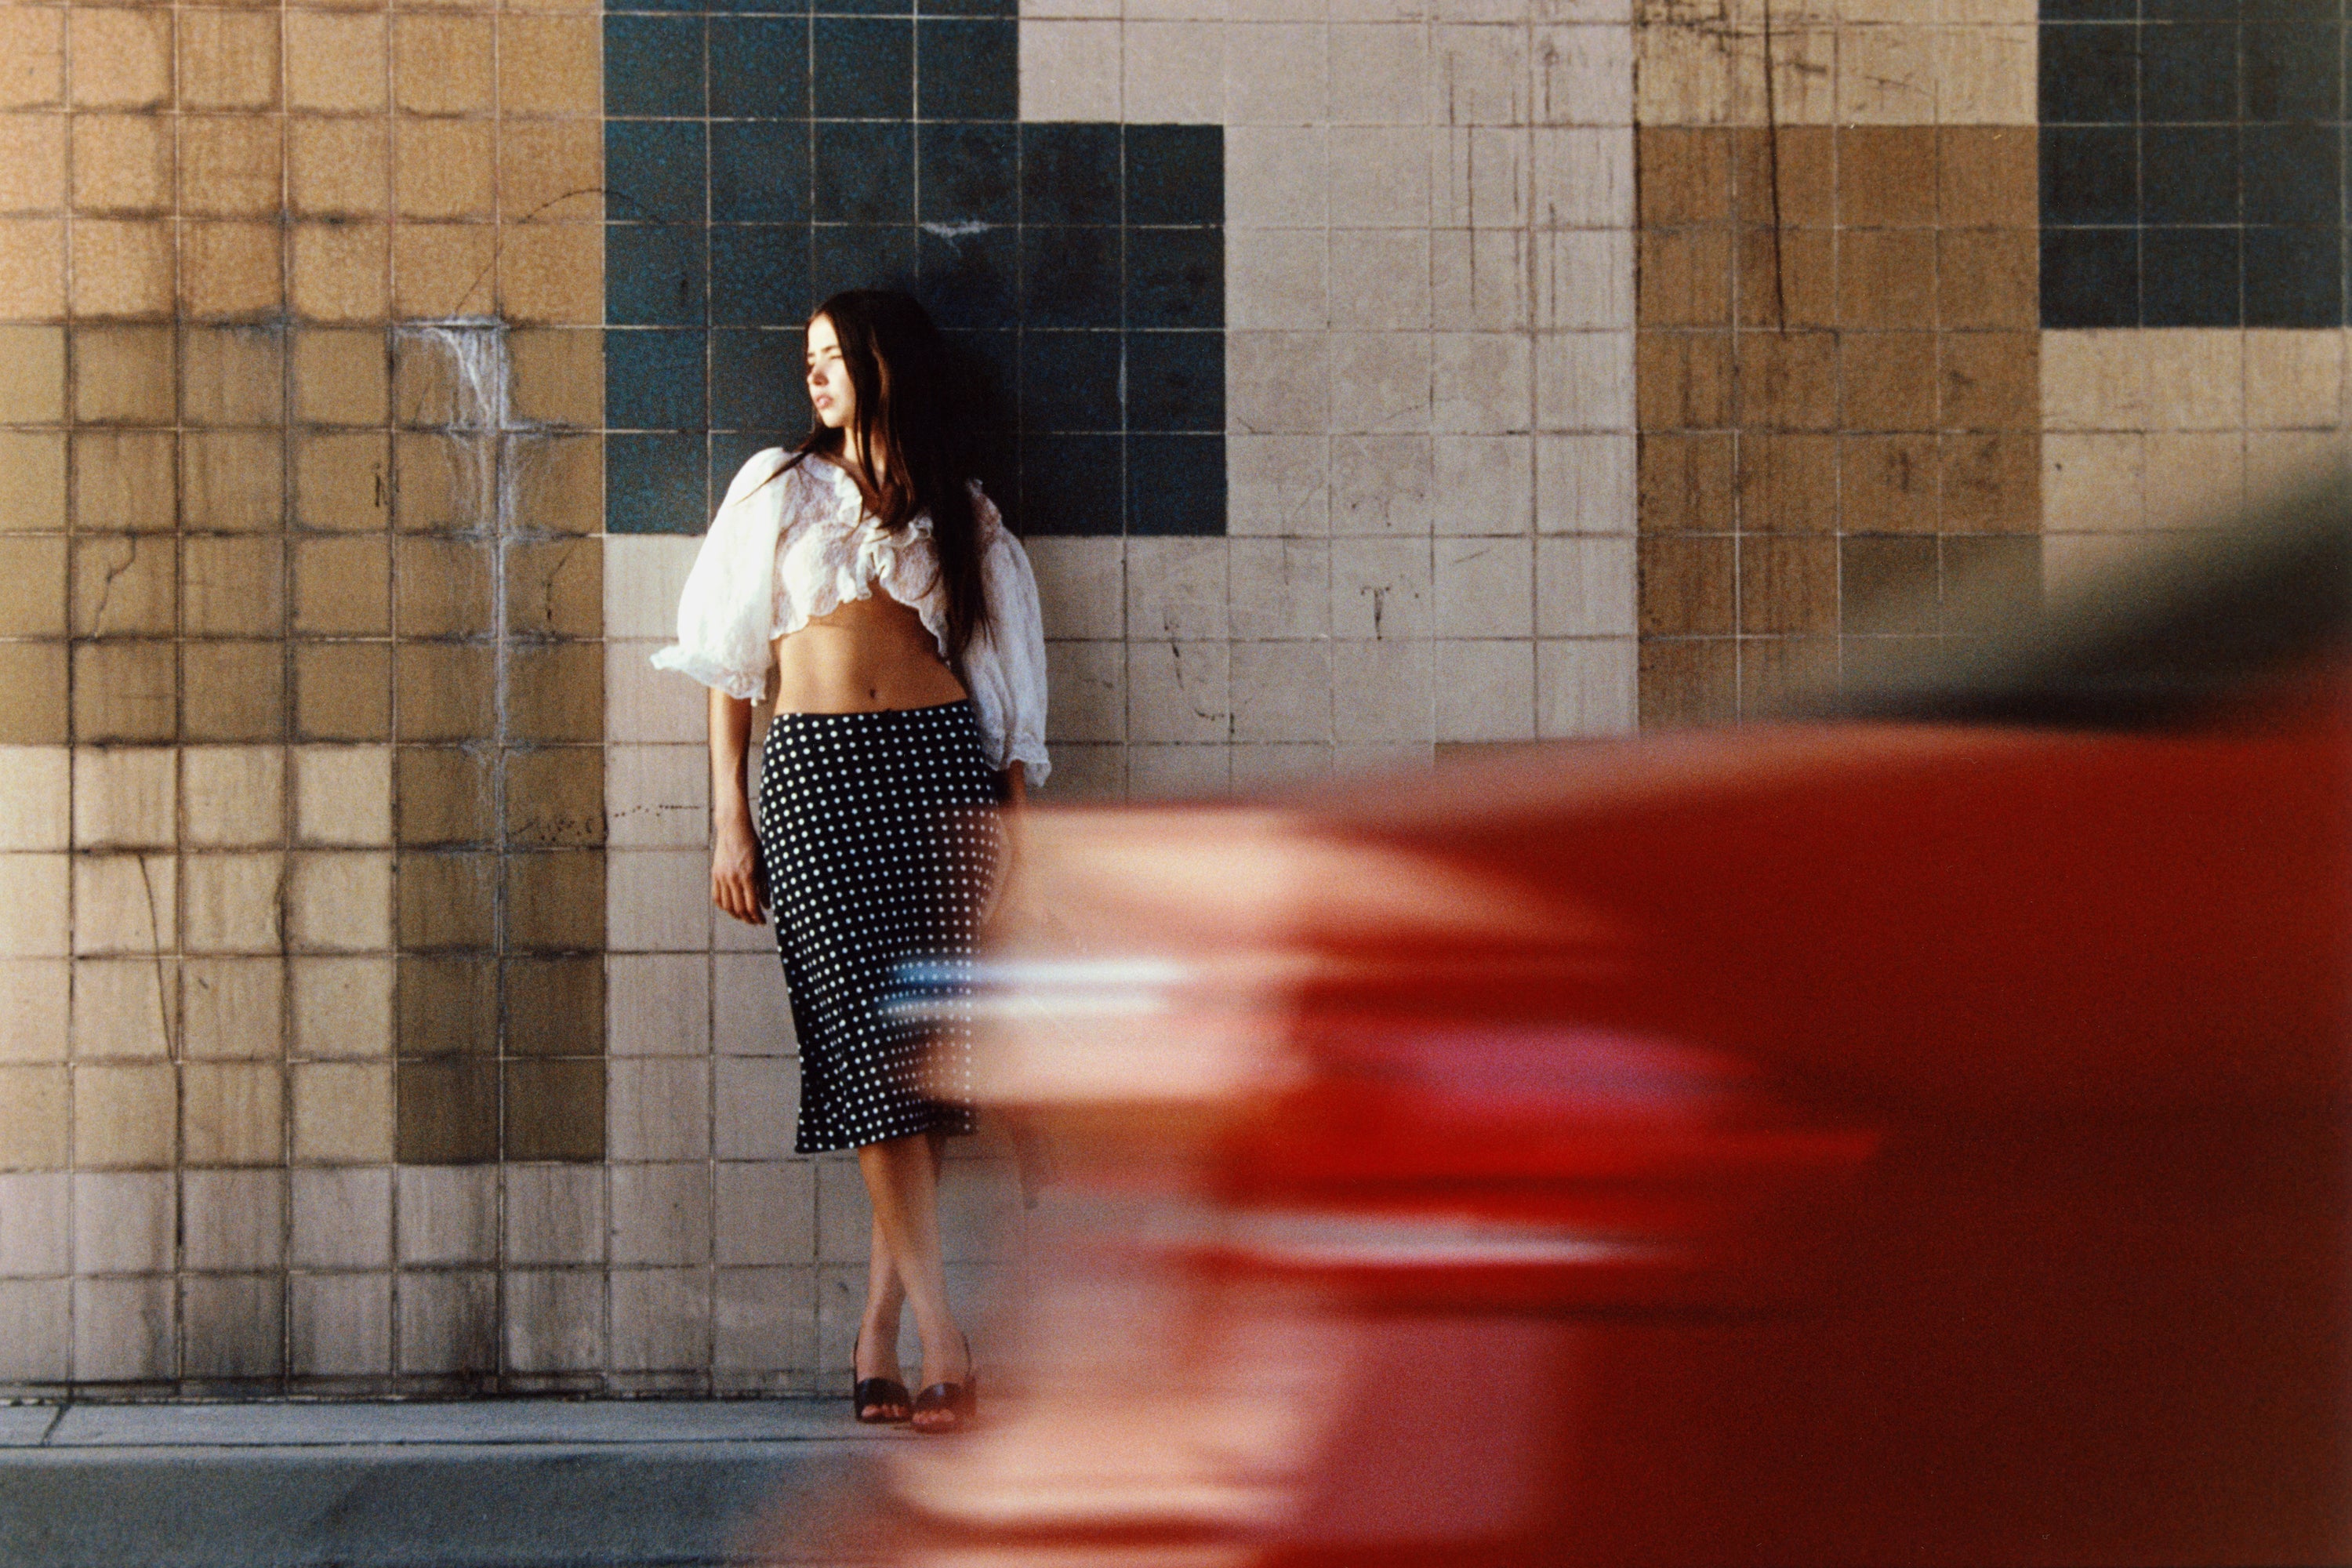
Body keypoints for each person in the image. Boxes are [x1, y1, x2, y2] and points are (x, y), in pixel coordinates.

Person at [653, 289, 1050, 1432]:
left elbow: (1002, 681)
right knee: (863, 1055)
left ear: (886, 365)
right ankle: (945, 1336)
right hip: (817, 781)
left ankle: (878, 1333)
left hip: (936, 773)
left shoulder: (958, 511)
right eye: (809, 358)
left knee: (915, 1057)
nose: (815, 375)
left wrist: (1016, 837)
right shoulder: (776, 487)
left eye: (833, 356)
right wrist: (728, 819)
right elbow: (731, 669)